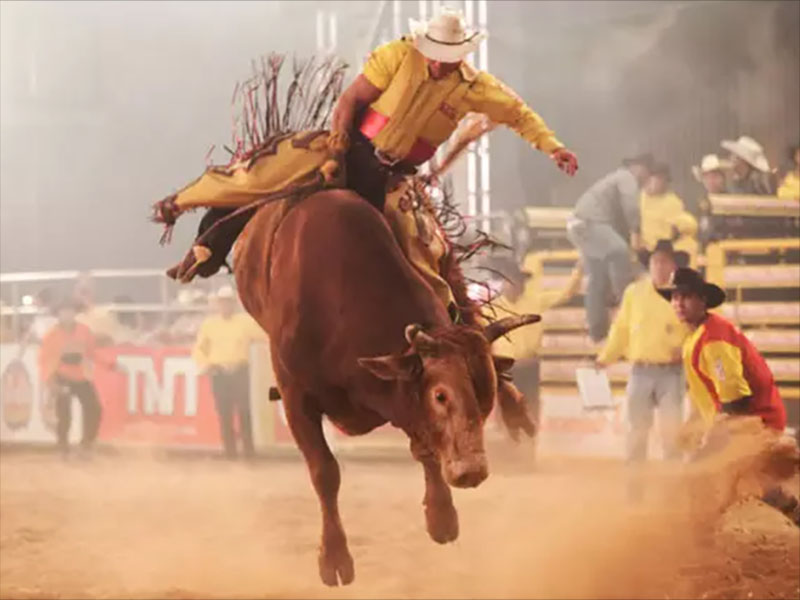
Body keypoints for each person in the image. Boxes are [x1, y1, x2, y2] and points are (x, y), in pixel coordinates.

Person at [157, 7, 578, 294]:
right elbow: (350, 100)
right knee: (266, 177)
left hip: (395, 175)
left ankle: (446, 320)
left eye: (446, 56)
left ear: (461, 54)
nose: (437, 62)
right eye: (434, 53)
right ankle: (207, 247)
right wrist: (337, 143)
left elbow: (519, 114)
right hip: (351, 148)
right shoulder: (397, 55)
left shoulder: (478, 88)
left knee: (419, 250)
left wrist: (553, 147)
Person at [660, 268, 798, 524]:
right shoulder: (699, 335)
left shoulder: (713, 339)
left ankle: (705, 539)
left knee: (703, 476)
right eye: (675, 297)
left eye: (686, 296)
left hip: (753, 419)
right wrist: (695, 423)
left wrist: (713, 437)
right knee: (753, 483)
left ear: (702, 300)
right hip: (746, 418)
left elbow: (735, 398)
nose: (679, 303)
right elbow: (708, 393)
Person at [596, 240, 690, 470]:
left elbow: (696, 329)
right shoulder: (634, 292)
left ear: (673, 266)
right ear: (649, 265)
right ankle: (635, 487)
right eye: (655, 261)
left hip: (671, 371)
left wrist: (685, 350)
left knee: (671, 432)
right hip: (640, 370)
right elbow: (621, 329)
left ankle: (672, 487)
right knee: (636, 431)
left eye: (664, 261)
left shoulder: (684, 295)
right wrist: (605, 357)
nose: (658, 266)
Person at [566, 153, 654, 343]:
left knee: (598, 278)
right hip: (590, 224)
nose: (646, 177)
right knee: (619, 251)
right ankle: (626, 303)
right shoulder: (626, 178)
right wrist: (636, 231)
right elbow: (630, 207)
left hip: (581, 225)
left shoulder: (613, 181)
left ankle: (597, 331)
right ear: (640, 167)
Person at [491, 255, 583, 426]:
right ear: (505, 283)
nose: (517, 285)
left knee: (531, 412)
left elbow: (566, 294)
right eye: (513, 281)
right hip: (505, 369)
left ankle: (528, 449)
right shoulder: (492, 308)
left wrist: (578, 272)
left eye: (519, 281)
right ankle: (507, 448)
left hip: (528, 365)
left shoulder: (534, 301)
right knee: (506, 415)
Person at [192, 286, 266, 460]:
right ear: (218, 304)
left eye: (228, 302)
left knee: (244, 412)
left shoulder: (245, 322)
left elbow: (265, 335)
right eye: (222, 302)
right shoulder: (209, 325)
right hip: (219, 373)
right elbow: (199, 349)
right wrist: (207, 364)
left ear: (234, 304)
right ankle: (230, 453)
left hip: (239, 371)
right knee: (225, 414)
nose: (225, 306)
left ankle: (249, 453)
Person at [38, 301, 103, 458]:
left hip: (81, 375)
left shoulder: (84, 331)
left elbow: (93, 352)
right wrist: (50, 381)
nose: (67, 315)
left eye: (70, 311)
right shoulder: (51, 336)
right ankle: (63, 446)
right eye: (64, 311)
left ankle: (87, 444)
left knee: (94, 408)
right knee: (63, 414)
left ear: (75, 313)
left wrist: (108, 363)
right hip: (61, 376)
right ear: (58, 315)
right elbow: (44, 360)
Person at [640, 163, 699, 267]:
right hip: (646, 247)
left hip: (668, 244)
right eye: (657, 178)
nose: (661, 183)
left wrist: (678, 228)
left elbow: (684, 222)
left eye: (664, 180)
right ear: (649, 179)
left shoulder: (673, 201)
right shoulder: (639, 200)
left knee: (691, 245)